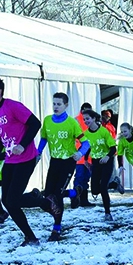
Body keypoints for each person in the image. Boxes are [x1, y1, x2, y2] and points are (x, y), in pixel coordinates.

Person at [0, 77, 61, 246]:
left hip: (26, 159)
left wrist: (22, 144)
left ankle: (34, 228)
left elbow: (35, 123)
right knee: (7, 201)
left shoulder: (12, 106)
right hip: (10, 161)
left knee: (12, 200)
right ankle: (34, 226)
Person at [29, 92, 91, 240]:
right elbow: (44, 139)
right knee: (48, 195)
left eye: (59, 104)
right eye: (54, 104)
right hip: (54, 161)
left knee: (57, 195)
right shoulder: (48, 120)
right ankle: (75, 193)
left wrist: (80, 153)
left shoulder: (72, 123)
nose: (56, 107)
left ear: (66, 105)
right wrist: (38, 154)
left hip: (68, 162)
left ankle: (56, 229)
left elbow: (86, 143)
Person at [82, 108, 117, 221]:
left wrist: (107, 157)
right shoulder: (86, 134)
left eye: (87, 119)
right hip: (96, 162)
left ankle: (107, 213)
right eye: (84, 119)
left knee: (103, 188)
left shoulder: (103, 131)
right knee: (95, 190)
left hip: (107, 161)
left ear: (93, 119)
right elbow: (87, 147)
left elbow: (112, 148)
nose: (85, 121)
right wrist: (86, 160)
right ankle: (114, 184)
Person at [72, 102, 93, 207]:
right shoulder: (76, 120)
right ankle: (75, 200)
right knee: (79, 177)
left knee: (86, 177)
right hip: (80, 154)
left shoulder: (92, 120)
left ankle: (84, 200)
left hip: (89, 155)